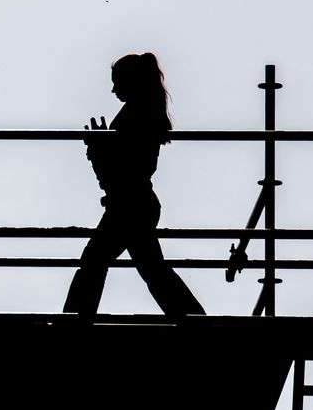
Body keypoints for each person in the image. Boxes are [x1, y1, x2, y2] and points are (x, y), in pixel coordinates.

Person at [63, 52, 206, 318]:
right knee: (152, 271)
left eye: (117, 82)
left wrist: (98, 148)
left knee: (95, 263)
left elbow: (120, 173)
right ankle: (197, 323)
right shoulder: (145, 111)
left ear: (131, 82)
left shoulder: (135, 115)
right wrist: (103, 147)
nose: (113, 89)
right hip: (135, 203)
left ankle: (72, 325)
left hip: (128, 205)